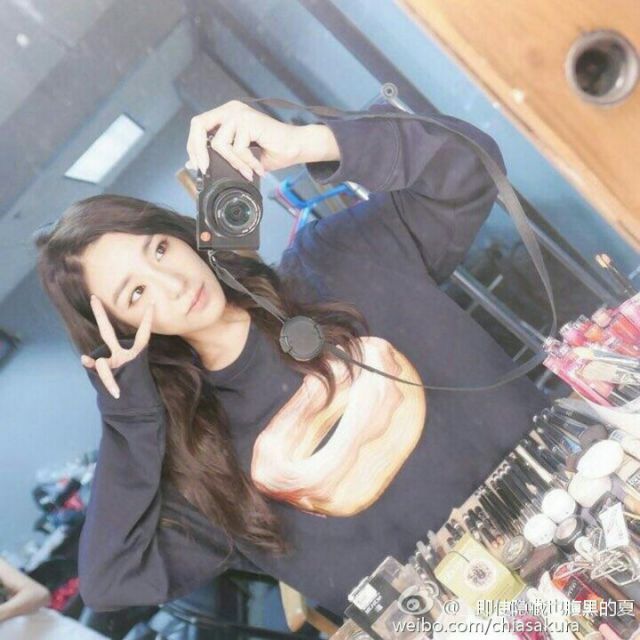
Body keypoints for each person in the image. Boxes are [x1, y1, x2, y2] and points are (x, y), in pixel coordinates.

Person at [35, 100, 548, 616]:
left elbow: (472, 164)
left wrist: (310, 143)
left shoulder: (338, 259)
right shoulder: (203, 462)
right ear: (123, 333)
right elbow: (111, 583)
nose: (173, 283)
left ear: (184, 234)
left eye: (160, 249)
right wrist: (129, 415)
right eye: (136, 293)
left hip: (577, 501)